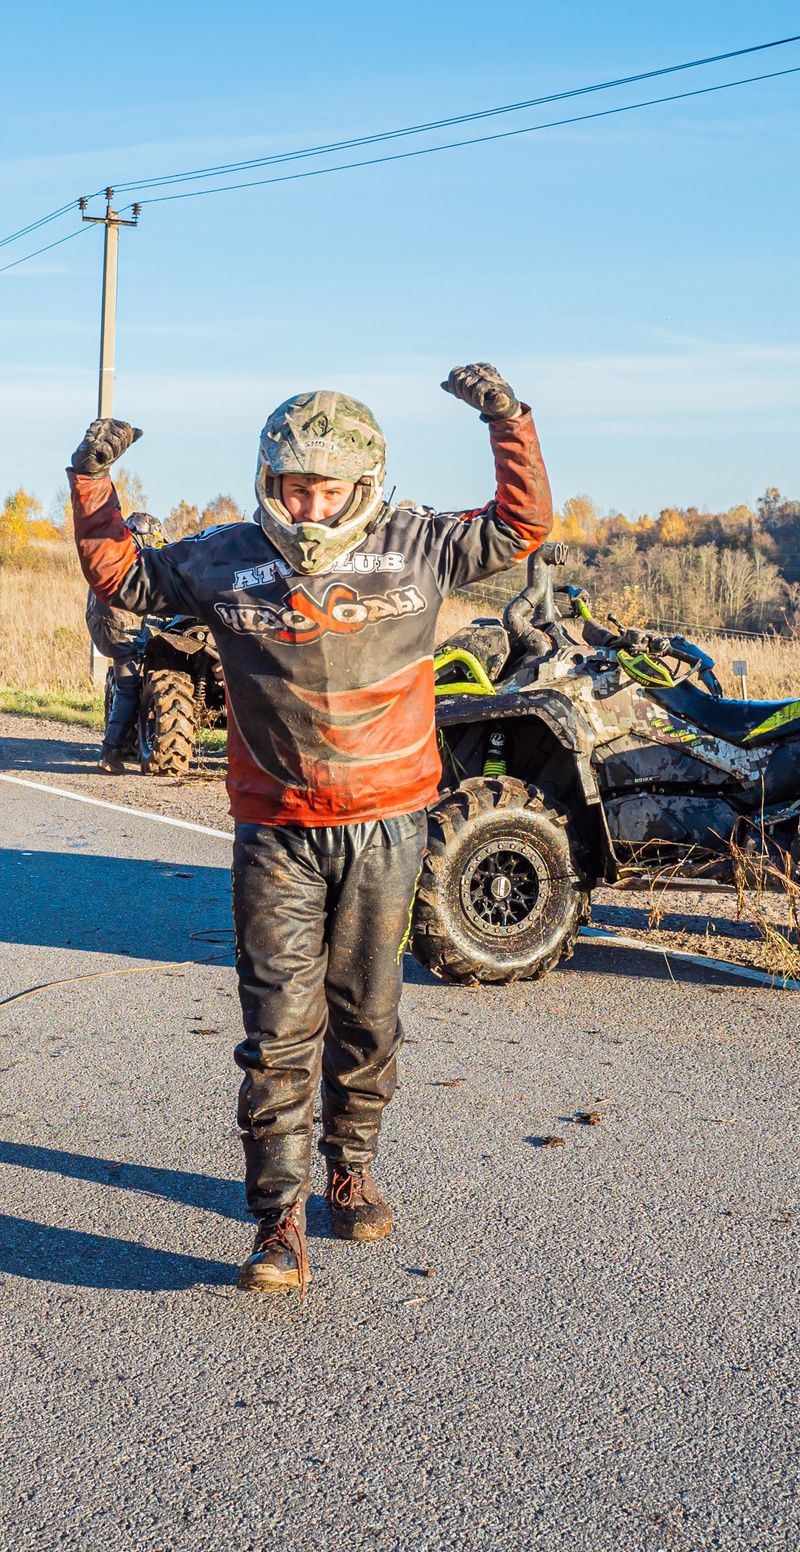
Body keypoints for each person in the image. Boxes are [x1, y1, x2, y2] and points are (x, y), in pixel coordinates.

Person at [68, 363, 550, 1293]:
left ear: (365, 485)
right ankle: (276, 1219)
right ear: (268, 481)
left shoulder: (419, 546)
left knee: (367, 1015)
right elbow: (124, 576)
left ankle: (350, 1163)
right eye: (294, 484)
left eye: (328, 486)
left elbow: (521, 527)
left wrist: (508, 421)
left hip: (388, 825)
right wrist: (93, 483)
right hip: (277, 831)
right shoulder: (226, 557)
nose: (310, 502)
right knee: (279, 1028)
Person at [87, 511, 162, 772]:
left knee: (129, 684)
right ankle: (110, 753)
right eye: (152, 537)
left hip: (106, 625)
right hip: (120, 629)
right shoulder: (131, 555)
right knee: (128, 688)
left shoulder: (112, 549)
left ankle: (125, 746)